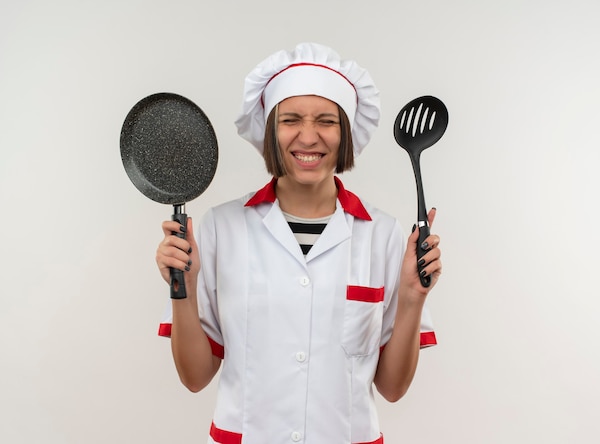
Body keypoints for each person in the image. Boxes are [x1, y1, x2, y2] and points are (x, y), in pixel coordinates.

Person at [156, 42, 442, 444]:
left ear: (345, 134)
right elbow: (195, 377)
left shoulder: (385, 234)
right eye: (291, 119)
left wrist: (414, 296)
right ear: (271, 131)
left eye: (326, 121)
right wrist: (180, 291)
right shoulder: (222, 227)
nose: (309, 137)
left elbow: (392, 389)